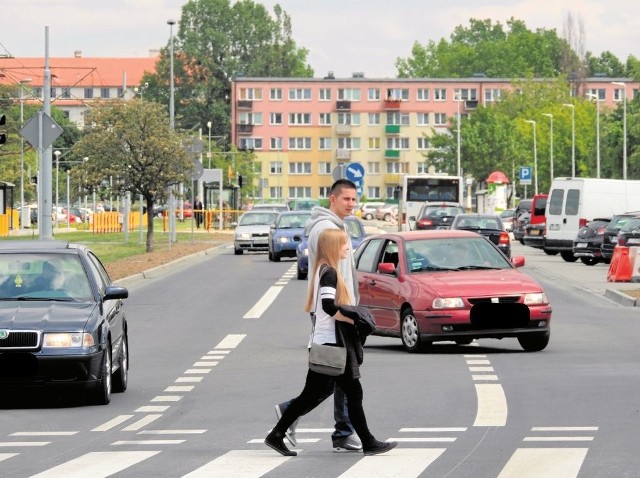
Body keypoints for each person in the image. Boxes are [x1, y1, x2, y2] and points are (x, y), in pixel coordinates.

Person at [265, 229, 398, 457]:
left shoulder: (324, 270)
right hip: (333, 345)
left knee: (315, 395)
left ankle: (277, 434)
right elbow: (328, 305)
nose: (349, 248)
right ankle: (368, 442)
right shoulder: (329, 273)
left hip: (326, 343)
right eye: (345, 245)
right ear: (333, 247)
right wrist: (353, 318)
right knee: (352, 393)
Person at [275, 179, 362, 452]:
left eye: (354, 199)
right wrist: (346, 314)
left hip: (338, 311)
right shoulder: (327, 229)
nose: (351, 204)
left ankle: (343, 432)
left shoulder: (335, 226)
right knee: (336, 378)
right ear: (332, 199)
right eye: (346, 199)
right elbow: (332, 277)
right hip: (334, 314)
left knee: (339, 379)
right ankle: (294, 416)